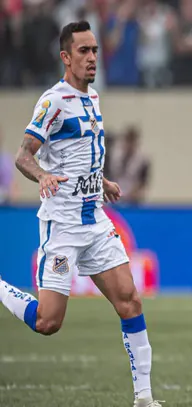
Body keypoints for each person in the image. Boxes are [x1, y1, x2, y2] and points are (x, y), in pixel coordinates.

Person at [0, 21, 161, 407]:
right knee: (47, 323)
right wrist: (41, 175)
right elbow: (25, 154)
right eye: (84, 51)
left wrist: (101, 182)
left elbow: (81, 154)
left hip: (95, 218)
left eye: (94, 50)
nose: (92, 57)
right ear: (66, 57)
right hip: (63, 224)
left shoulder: (94, 99)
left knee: (130, 300)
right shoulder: (52, 101)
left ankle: (144, 398)